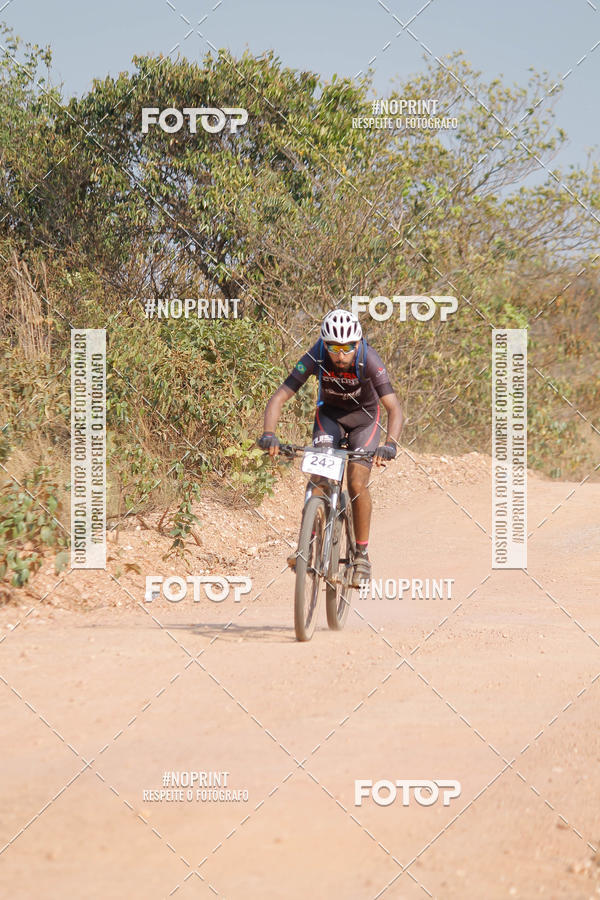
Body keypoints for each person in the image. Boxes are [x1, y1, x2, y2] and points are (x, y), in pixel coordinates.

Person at [258, 309, 403, 585]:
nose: (340, 354)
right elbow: (279, 396)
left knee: (357, 482)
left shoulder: (369, 359)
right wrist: (269, 434)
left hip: (365, 422)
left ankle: (361, 555)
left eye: (347, 347)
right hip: (330, 417)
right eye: (334, 347)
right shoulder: (317, 355)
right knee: (319, 477)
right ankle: (306, 546)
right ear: (325, 344)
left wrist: (390, 445)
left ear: (357, 343)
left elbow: (394, 408)